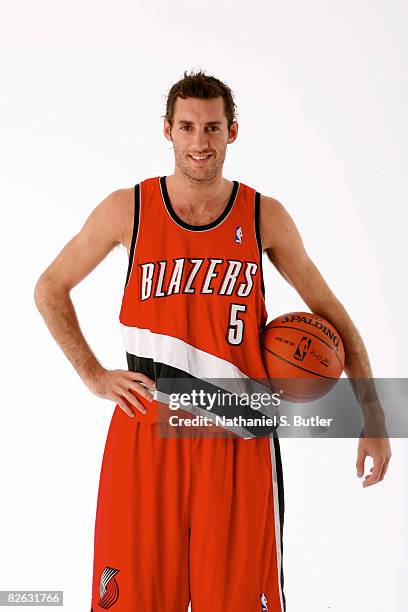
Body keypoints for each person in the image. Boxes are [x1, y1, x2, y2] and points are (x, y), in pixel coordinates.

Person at [34, 69, 391, 612]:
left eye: (212, 127)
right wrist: (93, 374)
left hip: (239, 436)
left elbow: (330, 312)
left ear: (232, 133)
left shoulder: (263, 215)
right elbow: (50, 286)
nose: (200, 141)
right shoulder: (126, 209)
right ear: (168, 131)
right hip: (147, 426)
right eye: (187, 127)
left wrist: (375, 416)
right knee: (134, 602)